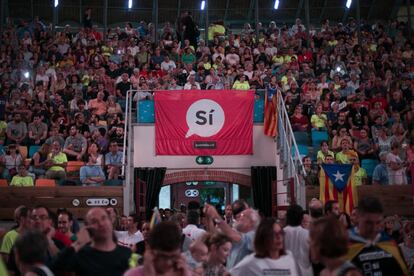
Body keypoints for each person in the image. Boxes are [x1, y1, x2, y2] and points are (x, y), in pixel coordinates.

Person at [52, 207, 132, 275]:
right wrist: (77, 244)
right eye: (94, 221)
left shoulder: (126, 253)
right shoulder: (81, 254)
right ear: (87, 228)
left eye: (104, 218)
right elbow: (55, 266)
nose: (101, 223)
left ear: (110, 221)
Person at [345, 197, 409, 275]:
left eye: (378, 222)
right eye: (368, 223)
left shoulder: (389, 244)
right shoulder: (343, 245)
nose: (374, 228)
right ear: (358, 218)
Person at [231, 218, 299, 276]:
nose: (279, 237)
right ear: (264, 237)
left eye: (280, 233)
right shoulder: (252, 262)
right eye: (273, 234)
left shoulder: (289, 257)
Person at [204, 203, 260, 270]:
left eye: (242, 215)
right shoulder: (235, 233)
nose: (238, 216)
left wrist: (215, 216)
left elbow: (235, 237)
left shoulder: (254, 235)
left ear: (251, 222)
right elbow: (213, 235)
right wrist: (208, 217)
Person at [124, 221, 191, 276]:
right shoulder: (134, 274)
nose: (168, 262)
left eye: (173, 257)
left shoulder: (184, 272)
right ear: (150, 252)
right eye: (163, 257)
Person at [284, 204, 313, 276]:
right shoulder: (308, 234)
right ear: (301, 217)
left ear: (287, 216)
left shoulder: (281, 233)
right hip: (305, 272)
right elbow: (313, 257)